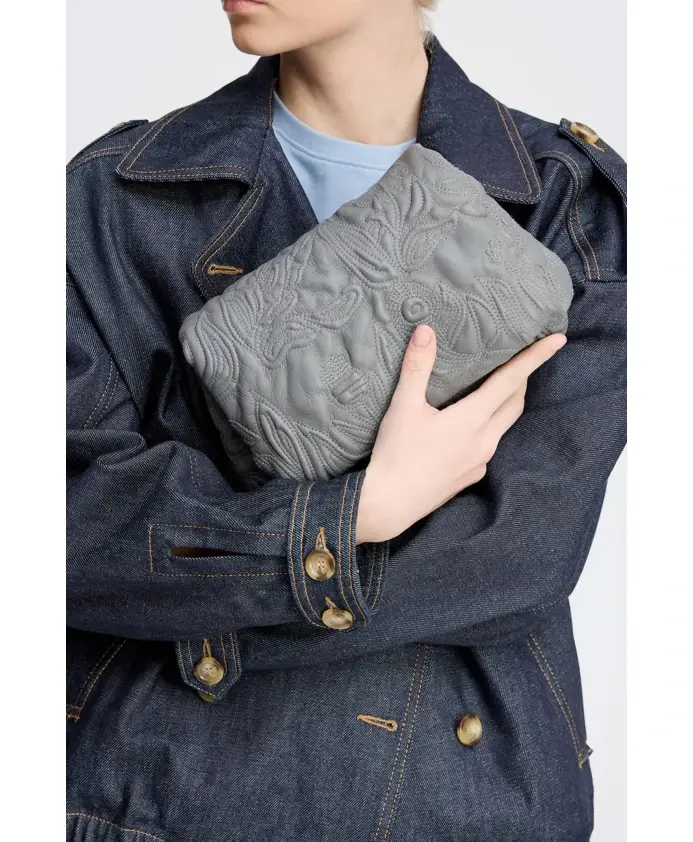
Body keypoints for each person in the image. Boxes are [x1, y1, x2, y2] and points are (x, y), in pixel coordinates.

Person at [66, 1, 626, 840]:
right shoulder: (113, 194)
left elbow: (520, 554)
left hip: (461, 803)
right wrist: (361, 513)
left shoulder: (570, 203)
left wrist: (195, 606)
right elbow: (67, 529)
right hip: (160, 799)